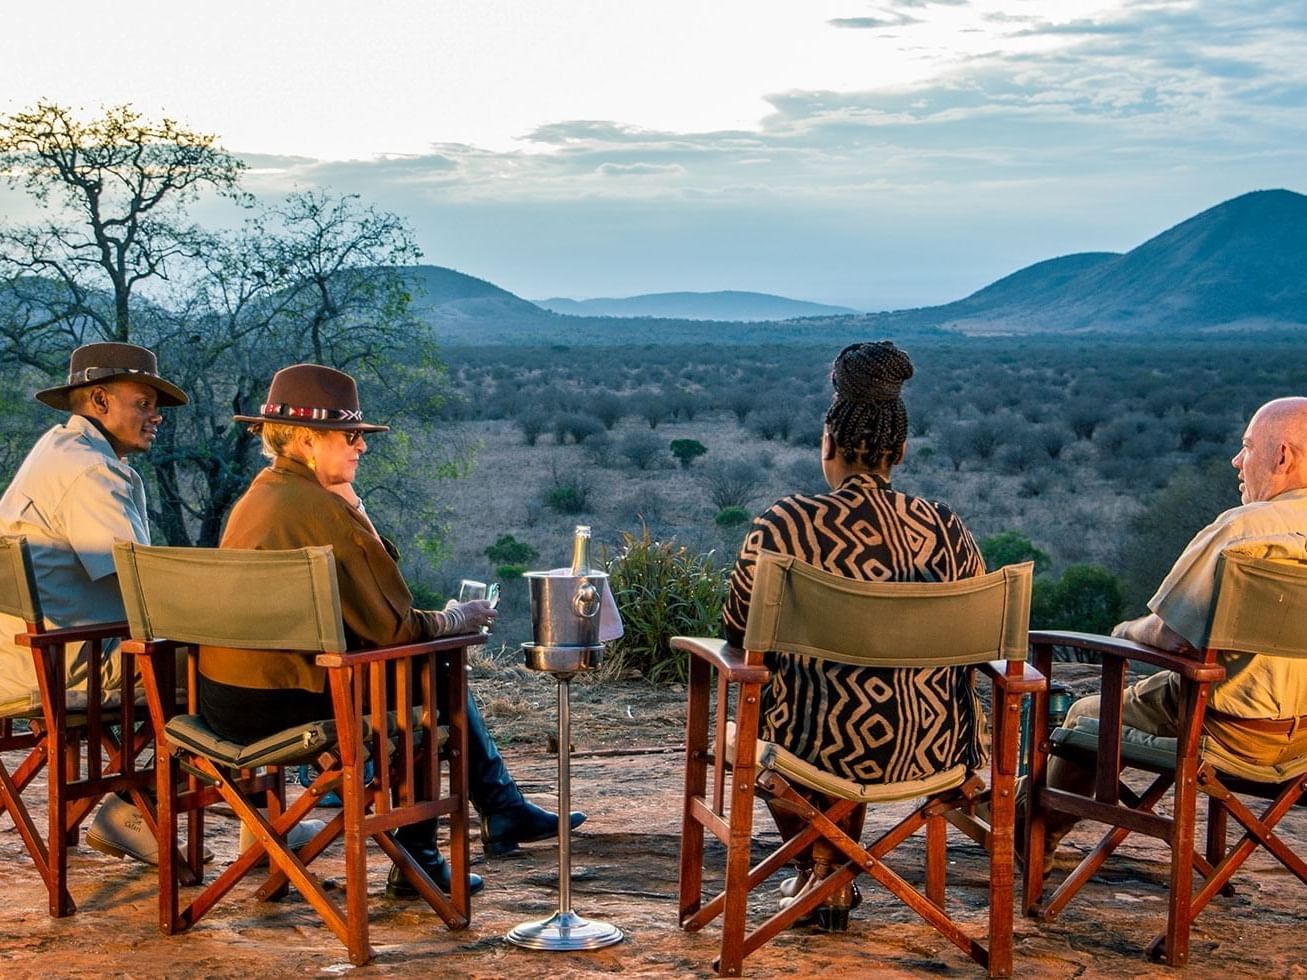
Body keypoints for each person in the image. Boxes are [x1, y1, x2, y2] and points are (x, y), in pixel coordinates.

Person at [202, 363, 583, 899]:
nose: (362, 448)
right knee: (430, 666)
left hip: (225, 702)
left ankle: (491, 815)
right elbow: (396, 628)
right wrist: (457, 620)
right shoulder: (322, 510)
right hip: (287, 704)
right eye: (351, 436)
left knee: (418, 668)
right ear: (309, 441)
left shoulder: (263, 496)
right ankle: (431, 852)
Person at [722, 340, 986, 931]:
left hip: (816, 749)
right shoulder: (947, 528)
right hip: (935, 748)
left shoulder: (785, 525)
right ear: (901, 450)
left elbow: (738, 632)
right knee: (865, 692)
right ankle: (830, 872)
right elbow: (980, 642)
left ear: (828, 445)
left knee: (770, 715)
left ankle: (825, 868)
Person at [1040, 396, 1307, 861]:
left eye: (1247, 447)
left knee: (1086, 714)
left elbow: (1173, 636)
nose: (1237, 461)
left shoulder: (1248, 529)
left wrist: (1125, 631)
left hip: (1229, 732)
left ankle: (1030, 831)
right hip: (1303, 740)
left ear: (1283, 456)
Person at [0, 341, 193, 863]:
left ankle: (137, 804)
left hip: (24, 657)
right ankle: (142, 806)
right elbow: (139, 582)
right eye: (144, 403)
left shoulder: (55, 450)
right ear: (100, 400)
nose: (156, 417)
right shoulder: (92, 471)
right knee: (227, 666)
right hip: (66, 663)